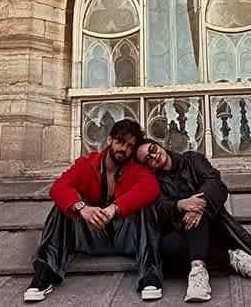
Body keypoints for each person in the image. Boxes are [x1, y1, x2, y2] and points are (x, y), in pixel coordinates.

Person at [24, 118, 164, 302]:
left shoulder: (135, 169)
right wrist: (82, 208)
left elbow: (151, 187)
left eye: (130, 146)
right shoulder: (87, 164)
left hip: (126, 237)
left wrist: (116, 207)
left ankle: (150, 277)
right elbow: (58, 188)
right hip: (92, 235)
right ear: (109, 140)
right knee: (63, 207)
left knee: (146, 207)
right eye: (120, 142)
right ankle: (45, 274)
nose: (124, 149)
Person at [136, 140, 251, 303]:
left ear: (160, 145)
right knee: (168, 246)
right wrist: (180, 204)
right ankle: (232, 259)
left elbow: (215, 183)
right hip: (181, 232)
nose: (154, 156)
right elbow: (159, 207)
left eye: (153, 149)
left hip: (212, 225)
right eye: (148, 158)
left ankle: (198, 271)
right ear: (147, 166)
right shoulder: (155, 181)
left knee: (196, 208)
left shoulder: (193, 159)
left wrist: (198, 204)